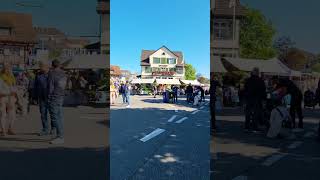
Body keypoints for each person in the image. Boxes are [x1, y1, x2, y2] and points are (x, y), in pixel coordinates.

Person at [48, 59, 67, 144]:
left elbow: (50, 87)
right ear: (59, 65)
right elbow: (64, 85)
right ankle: (60, 135)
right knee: (59, 117)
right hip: (61, 96)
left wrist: (49, 97)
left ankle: (60, 136)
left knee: (55, 118)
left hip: (54, 97)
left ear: (52, 65)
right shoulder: (63, 74)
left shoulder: (52, 73)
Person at [243, 67, 266, 132]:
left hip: (249, 98)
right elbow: (263, 90)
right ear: (258, 73)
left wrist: (245, 97)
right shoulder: (260, 80)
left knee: (248, 113)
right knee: (256, 113)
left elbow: (245, 89)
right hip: (257, 98)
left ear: (252, 72)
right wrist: (264, 98)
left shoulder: (248, 80)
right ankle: (254, 127)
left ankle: (246, 127)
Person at [34, 61, 54, 136]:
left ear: (47, 67)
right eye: (40, 66)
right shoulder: (38, 75)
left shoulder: (51, 74)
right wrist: (35, 97)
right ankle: (45, 129)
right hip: (41, 98)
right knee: (43, 114)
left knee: (52, 114)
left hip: (51, 98)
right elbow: (35, 86)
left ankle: (53, 129)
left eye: (41, 66)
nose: (40, 68)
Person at [0, 63, 17, 136]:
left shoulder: (12, 76)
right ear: (4, 69)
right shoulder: (1, 77)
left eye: (10, 69)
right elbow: (0, 90)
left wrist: (15, 91)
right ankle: (3, 130)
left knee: (12, 114)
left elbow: (14, 85)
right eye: (8, 69)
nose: (10, 70)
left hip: (11, 98)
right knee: (2, 114)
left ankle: (10, 128)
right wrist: (9, 92)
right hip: (3, 97)